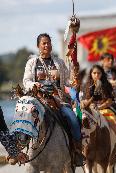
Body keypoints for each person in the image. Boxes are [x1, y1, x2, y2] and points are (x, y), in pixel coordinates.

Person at [22, 33, 84, 166]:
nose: (47, 45)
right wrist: (34, 84)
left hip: (57, 99)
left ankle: (77, 149)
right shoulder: (32, 62)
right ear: (38, 46)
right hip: (38, 99)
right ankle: (20, 146)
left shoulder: (59, 62)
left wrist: (74, 82)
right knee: (23, 114)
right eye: (43, 43)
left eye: (48, 43)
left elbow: (67, 82)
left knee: (72, 118)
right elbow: (26, 81)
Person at [80, 65, 116, 147]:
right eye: (94, 73)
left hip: (104, 110)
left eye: (98, 73)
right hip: (90, 111)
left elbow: (110, 101)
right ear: (91, 74)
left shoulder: (106, 84)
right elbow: (84, 102)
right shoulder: (86, 86)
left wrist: (100, 107)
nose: (96, 75)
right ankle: (79, 148)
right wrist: (92, 98)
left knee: (114, 123)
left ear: (102, 74)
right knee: (81, 123)